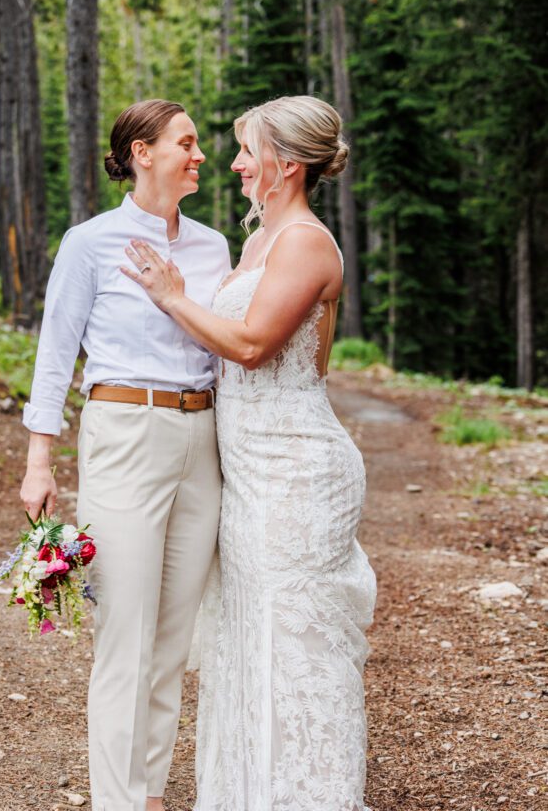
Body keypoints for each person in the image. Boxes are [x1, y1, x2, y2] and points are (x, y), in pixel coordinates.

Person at [123, 95, 377, 811]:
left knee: (290, 648)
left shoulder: (304, 243)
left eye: (246, 151)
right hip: (249, 471)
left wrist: (172, 297)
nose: (233, 163)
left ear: (286, 165)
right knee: (242, 643)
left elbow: (253, 346)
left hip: (295, 470)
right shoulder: (262, 239)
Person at [20, 99, 232, 811]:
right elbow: (56, 354)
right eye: (186, 142)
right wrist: (38, 460)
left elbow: (224, 348)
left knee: (173, 639)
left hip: (201, 438)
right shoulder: (90, 243)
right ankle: (117, 803)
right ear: (141, 152)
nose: (198, 155)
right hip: (123, 429)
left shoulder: (211, 247)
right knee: (124, 635)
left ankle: (146, 795)